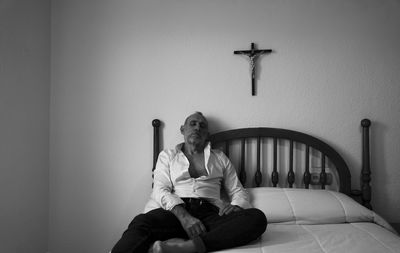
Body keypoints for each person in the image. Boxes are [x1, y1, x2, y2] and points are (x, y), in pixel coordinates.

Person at [112, 112, 267, 253]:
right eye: (193, 124)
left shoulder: (219, 157)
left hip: (210, 215)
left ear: (207, 134)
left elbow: (237, 190)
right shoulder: (167, 155)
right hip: (174, 213)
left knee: (257, 218)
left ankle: (186, 248)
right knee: (140, 222)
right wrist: (184, 217)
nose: (197, 128)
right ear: (182, 129)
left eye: (202, 126)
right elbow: (160, 189)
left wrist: (236, 206)